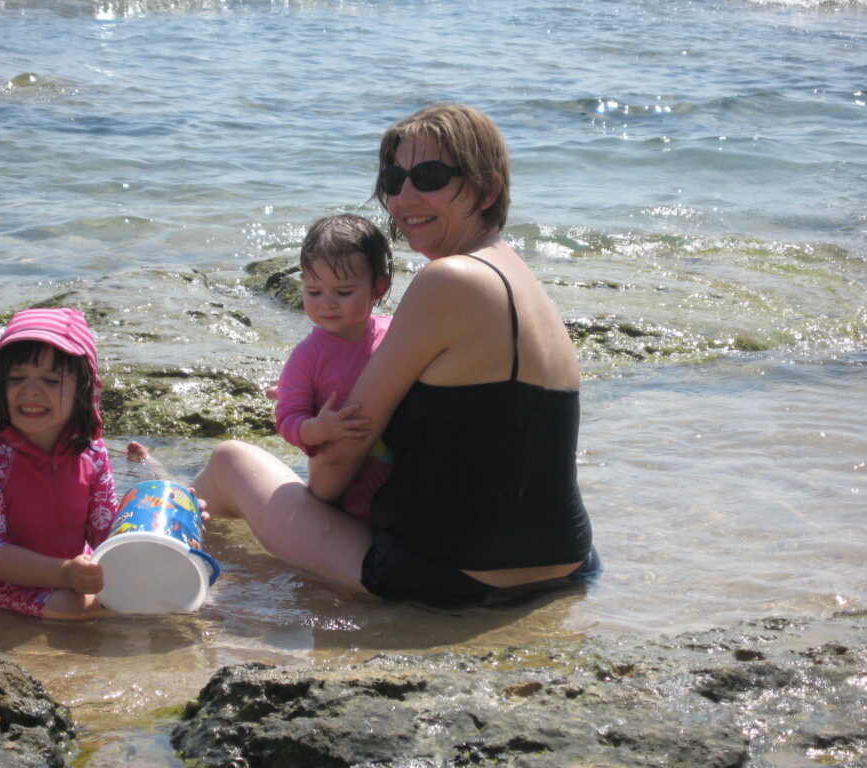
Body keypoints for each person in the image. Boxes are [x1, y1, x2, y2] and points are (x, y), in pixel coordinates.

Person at [192, 103, 598, 604]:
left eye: (430, 176)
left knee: (230, 462)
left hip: (447, 574)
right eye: (393, 179)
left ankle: (159, 543)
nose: (405, 197)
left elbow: (337, 465)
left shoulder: (450, 279)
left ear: (488, 189)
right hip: (567, 561)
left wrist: (315, 456)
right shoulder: (520, 278)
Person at [0, 308, 118, 619]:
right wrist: (65, 574)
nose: (30, 390)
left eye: (51, 380)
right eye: (16, 378)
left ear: (82, 390)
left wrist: (162, 527)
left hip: (71, 574)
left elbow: (106, 533)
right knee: (75, 606)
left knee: (129, 590)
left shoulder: (92, 452)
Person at [272, 213, 394, 521]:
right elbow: (287, 419)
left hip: (398, 484)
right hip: (342, 497)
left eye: (343, 292)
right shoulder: (308, 356)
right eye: (314, 291)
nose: (326, 303)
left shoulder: (395, 334)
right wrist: (318, 429)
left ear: (379, 287)